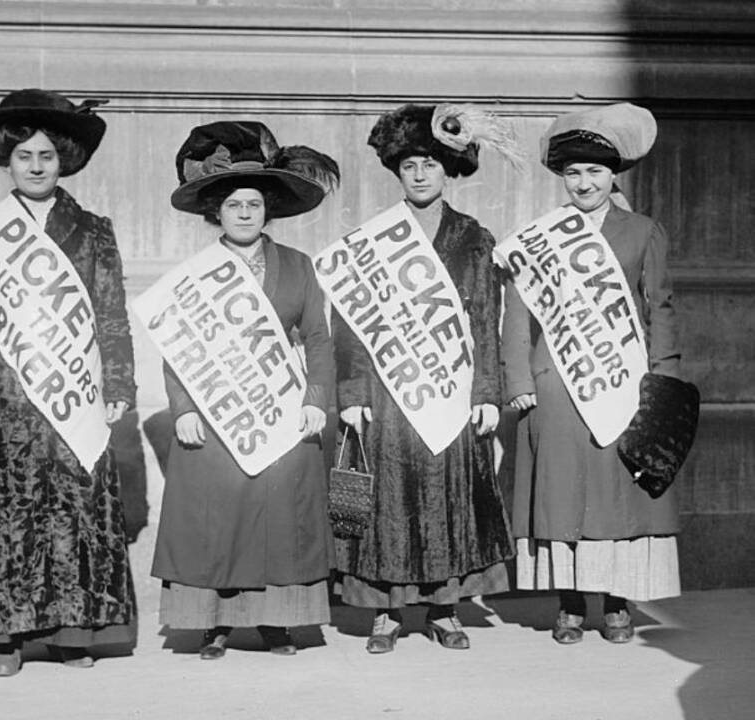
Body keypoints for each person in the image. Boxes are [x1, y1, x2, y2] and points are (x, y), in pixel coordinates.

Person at [0, 89, 137, 675]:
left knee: (72, 510)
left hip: (75, 390)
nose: (37, 165)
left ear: (64, 159)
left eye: (47, 155)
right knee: (6, 514)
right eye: (25, 156)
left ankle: (73, 634)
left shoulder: (95, 231)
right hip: (4, 393)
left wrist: (120, 382)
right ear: (8, 161)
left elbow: (111, 314)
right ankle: (8, 639)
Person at [151, 121, 339, 659]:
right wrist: (183, 408)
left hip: (279, 406)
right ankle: (215, 623)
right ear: (216, 213)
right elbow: (177, 345)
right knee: (219, 512)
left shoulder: (298, 267)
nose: (244, 213)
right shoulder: (196, 273)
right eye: (233, 205)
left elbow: (319, 341)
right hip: (216, 409)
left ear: (267, 210)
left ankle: (278, 621)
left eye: (253, 204)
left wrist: (314, 399)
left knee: (280, 513)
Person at [333, 104, 515, 653]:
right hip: (389, 395)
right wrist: (352, 394)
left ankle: (444, 608)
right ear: (396, 171)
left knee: (447, 501)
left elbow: (486, 317)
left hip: (452, 392)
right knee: (390, 503)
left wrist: (487, 393)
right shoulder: (372, 239)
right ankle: (388, 613)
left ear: (448, 171)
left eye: (431, 164)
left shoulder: (473, 237)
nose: (419, 174)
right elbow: (349, 325)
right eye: (410, 164)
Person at [502, 103, 681, 644]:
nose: (584, 182)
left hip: (623, 381)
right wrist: (519, 381)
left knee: (616, 495)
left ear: (612, 176)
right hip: (556, 384)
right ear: (563, 177)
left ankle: (619, 604)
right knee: (562, 495)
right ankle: (571, 605)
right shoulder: (539, 237)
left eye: (595, 172)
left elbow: (660, 308)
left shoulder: (643, 232)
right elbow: (518, 313)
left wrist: (662, 379)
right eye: (574, 173)